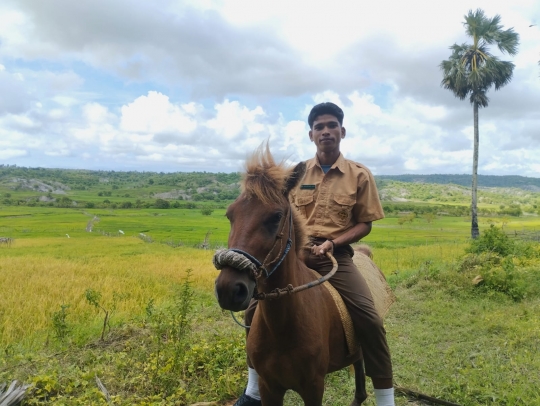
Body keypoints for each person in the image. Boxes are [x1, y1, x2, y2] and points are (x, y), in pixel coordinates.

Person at [235, 102, 395, 406]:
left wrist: (332, 244)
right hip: (295, 255)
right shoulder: (294, 175)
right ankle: (254, 388)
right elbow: (277, 214)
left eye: (332, 125)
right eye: (319, 127)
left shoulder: (359, 175)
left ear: (342, 131)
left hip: (336, 255)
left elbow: (365, 224)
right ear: (311, 135)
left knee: (369, 319)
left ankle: (385, 398)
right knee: (254, 308)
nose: (326, 131)